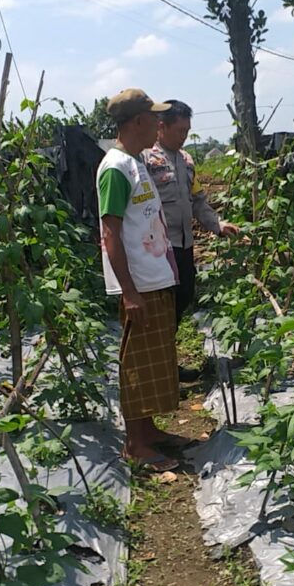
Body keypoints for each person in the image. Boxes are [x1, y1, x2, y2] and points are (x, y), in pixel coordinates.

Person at [98, 88, 187, 472]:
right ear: (138, 122)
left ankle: (148, 431)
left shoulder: (135, 163)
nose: (158, 124)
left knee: (154, 362)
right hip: (139, 286)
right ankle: (135, 444)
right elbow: (110, 234)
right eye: (154, 118)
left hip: (154, 279)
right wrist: (130, 292)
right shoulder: (116, 169)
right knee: (137, 365)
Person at [143, 100, 239, 378]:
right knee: (162, 307)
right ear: (161, 127)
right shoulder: (146, 160)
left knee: (183, 296)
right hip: (158, 248)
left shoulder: (186, 161)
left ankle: (166, 362)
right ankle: (160, 368)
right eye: (180, 130)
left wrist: (217, 225)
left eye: (187, 130)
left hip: (183, 245)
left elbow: (198, 202)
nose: (184, 136)